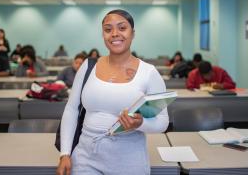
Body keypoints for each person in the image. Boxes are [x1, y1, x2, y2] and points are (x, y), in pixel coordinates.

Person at [57, 9, 169, 175]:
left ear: (133, 33)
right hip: (86, 155)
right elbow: (72, 109)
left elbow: (162, 121)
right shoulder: (88, 66)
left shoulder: (149, 73)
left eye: (122, 28)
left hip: (129, 158)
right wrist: (65, 153)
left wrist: (140, 124)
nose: (114, 34)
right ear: (103, 34)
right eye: (108, 29)